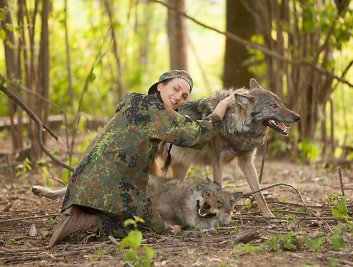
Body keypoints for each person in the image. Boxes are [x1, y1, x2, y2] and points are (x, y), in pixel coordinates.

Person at [49, 70, 234, 247]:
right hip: (112, 184)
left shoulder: (134, 100)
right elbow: (199, 134)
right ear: (160, 86)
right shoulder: (158, 113)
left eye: (185, 96)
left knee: (140, 205)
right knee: (158, 226)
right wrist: (222, 107)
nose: (179, 97)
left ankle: (83, 210)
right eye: (176, 89)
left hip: (81, 180)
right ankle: (92, 219)